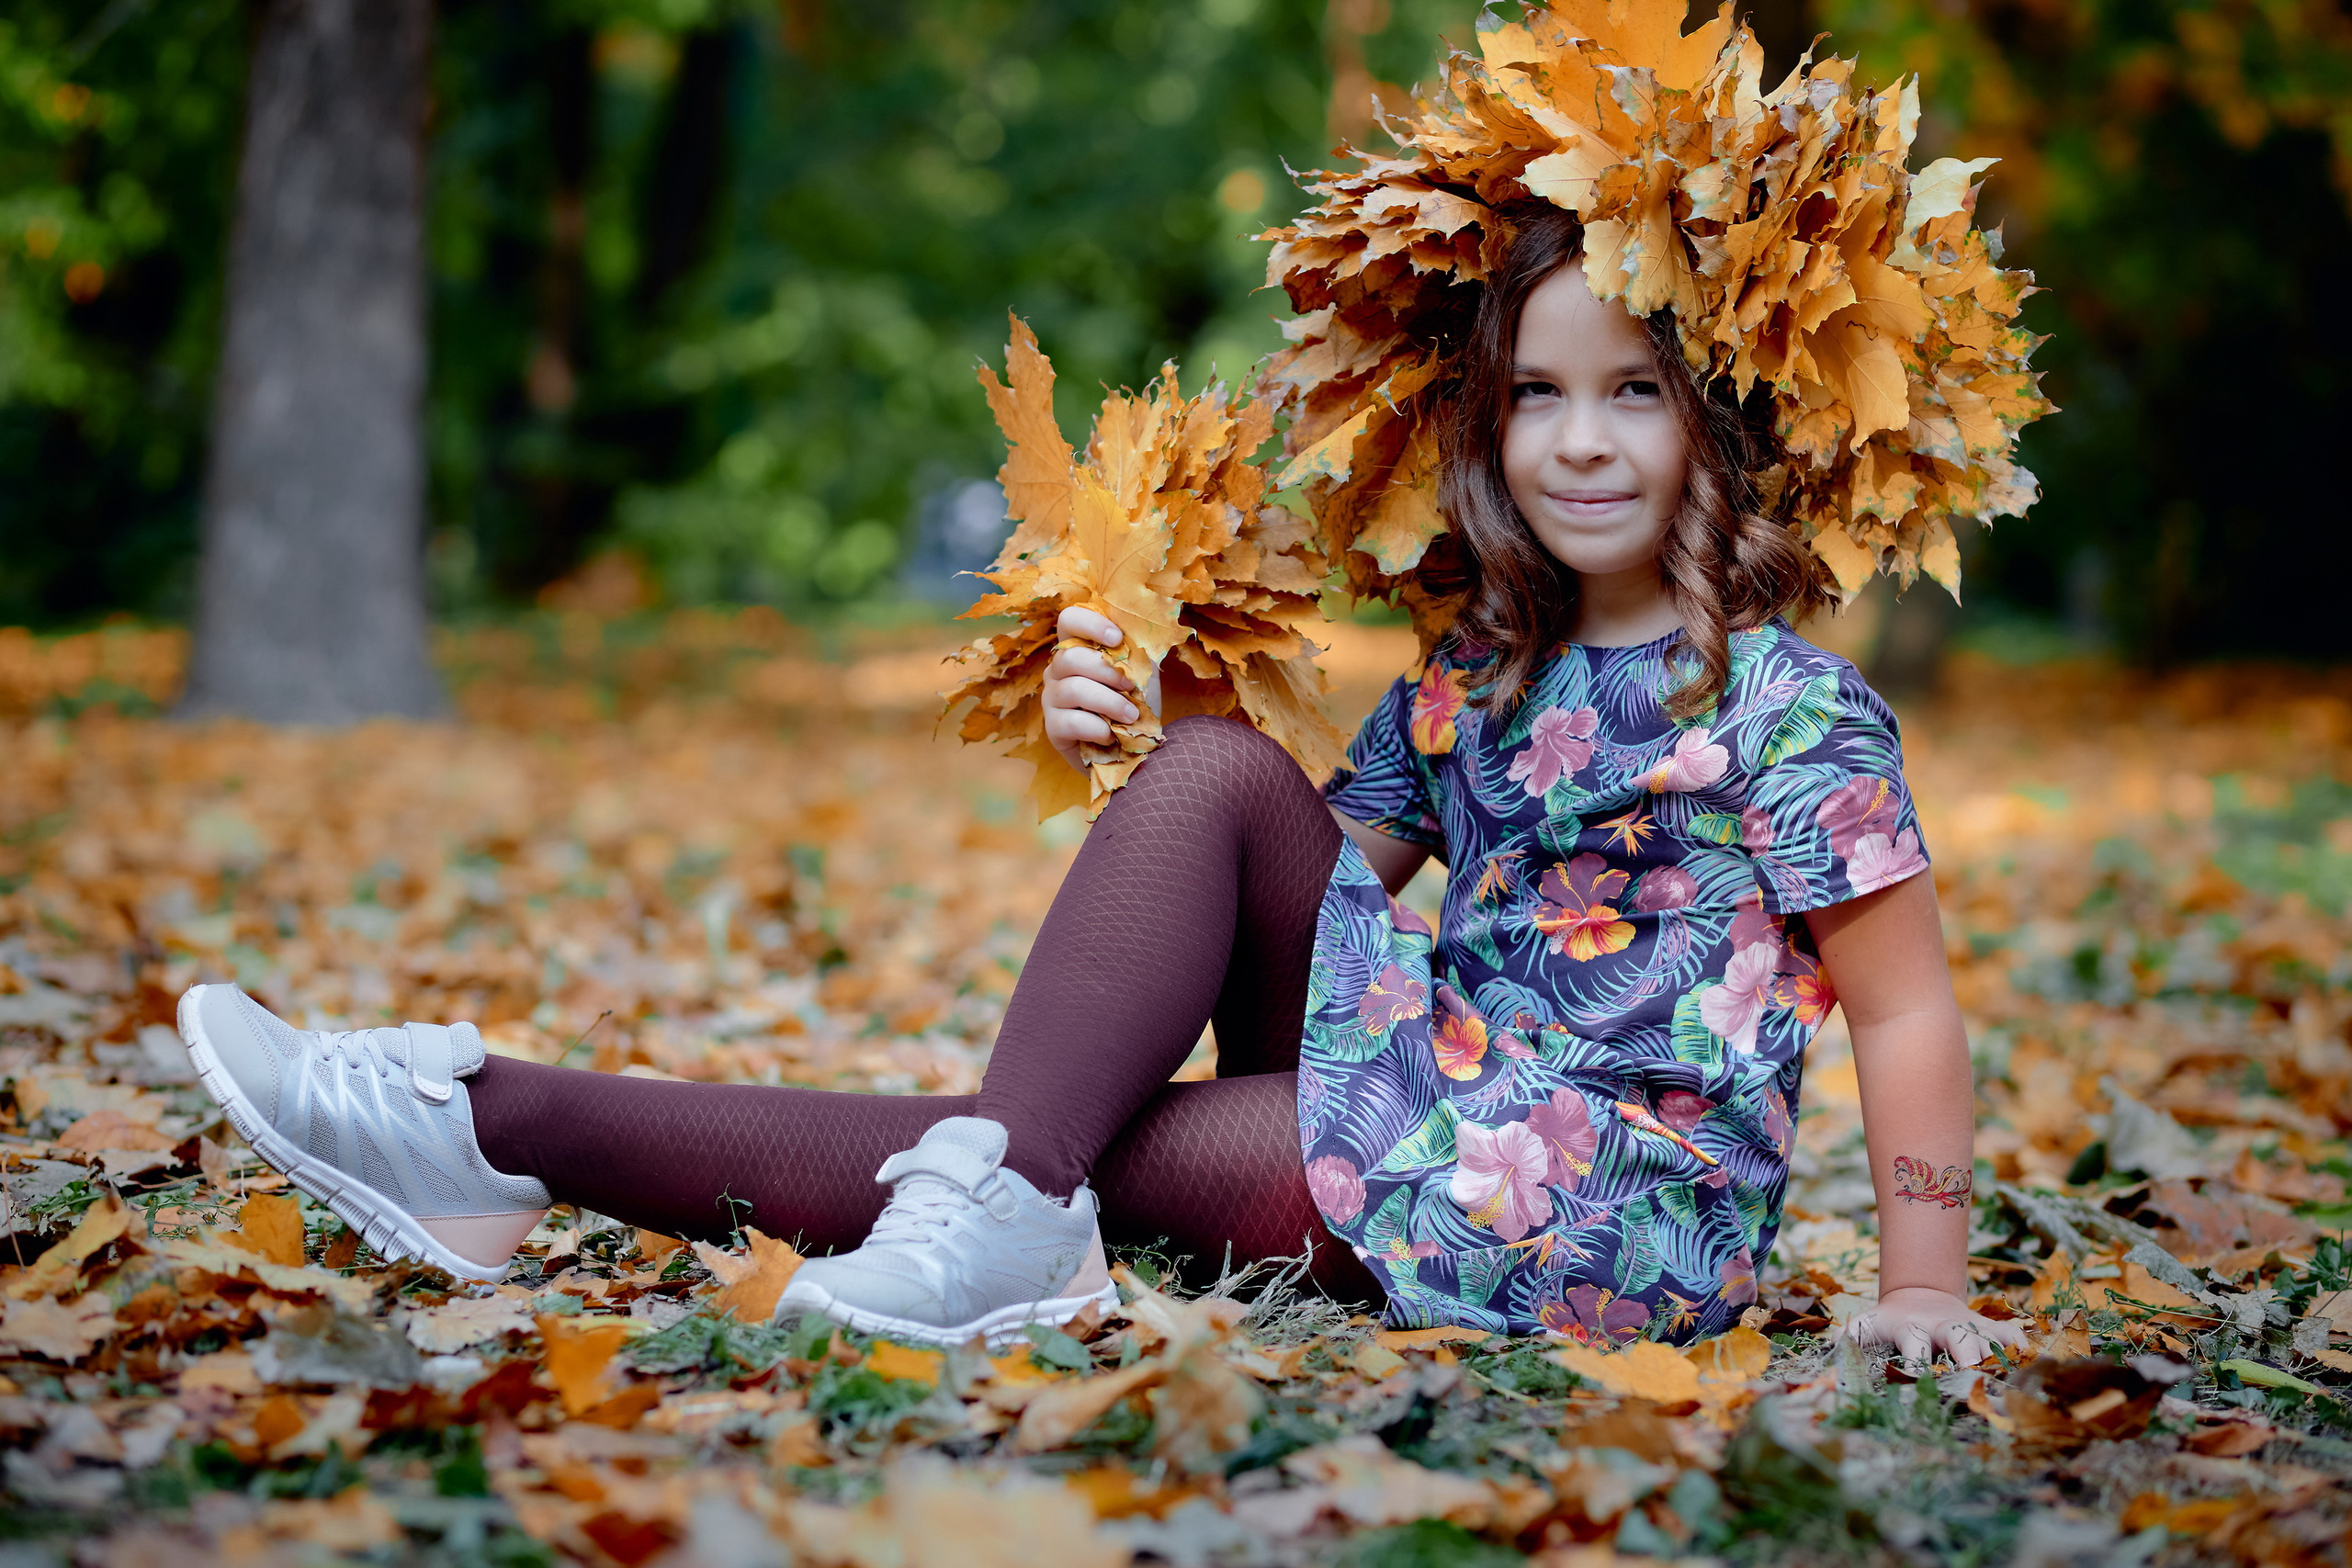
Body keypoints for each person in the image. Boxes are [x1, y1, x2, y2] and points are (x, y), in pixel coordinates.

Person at [176, 9, 2033, 1364]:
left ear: (1719, 421)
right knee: (1209, 791)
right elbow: (1297, 899)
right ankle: (524, 1135)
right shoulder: (1477, 669)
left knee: (1048, 1144)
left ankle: (491, 1121)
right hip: (1430, 1089)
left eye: (1631, 390)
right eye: (1534, 394)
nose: (1577, 438)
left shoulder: (1787, 706)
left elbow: (1906, 1012)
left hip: (1607, 1193)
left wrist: (1922, 1282)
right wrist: (1125, 742)